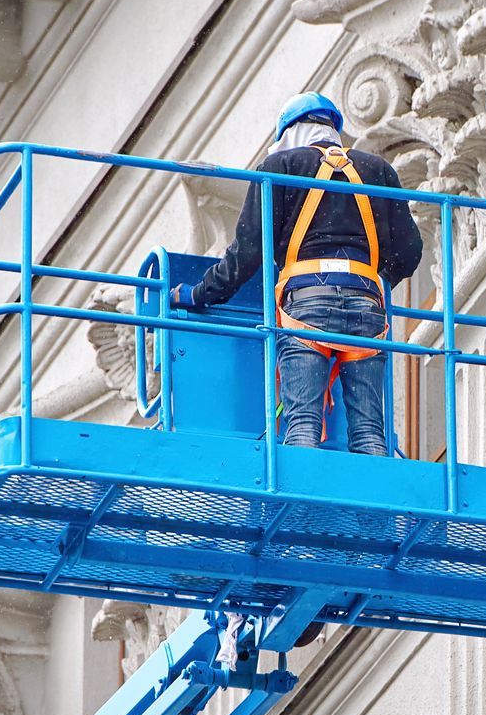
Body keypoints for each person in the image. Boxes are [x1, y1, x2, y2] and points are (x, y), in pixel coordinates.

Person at [172, 92, 422, 454]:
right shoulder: (377, 170)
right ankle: (376, 512)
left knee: (303, 424)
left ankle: (300, 511)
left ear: (289, 132)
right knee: (369, 432)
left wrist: (199, 294)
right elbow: (409, 253)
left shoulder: (281, 167)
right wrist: (370, 274)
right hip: (367, 306)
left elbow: (246, 254)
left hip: (307, 304)